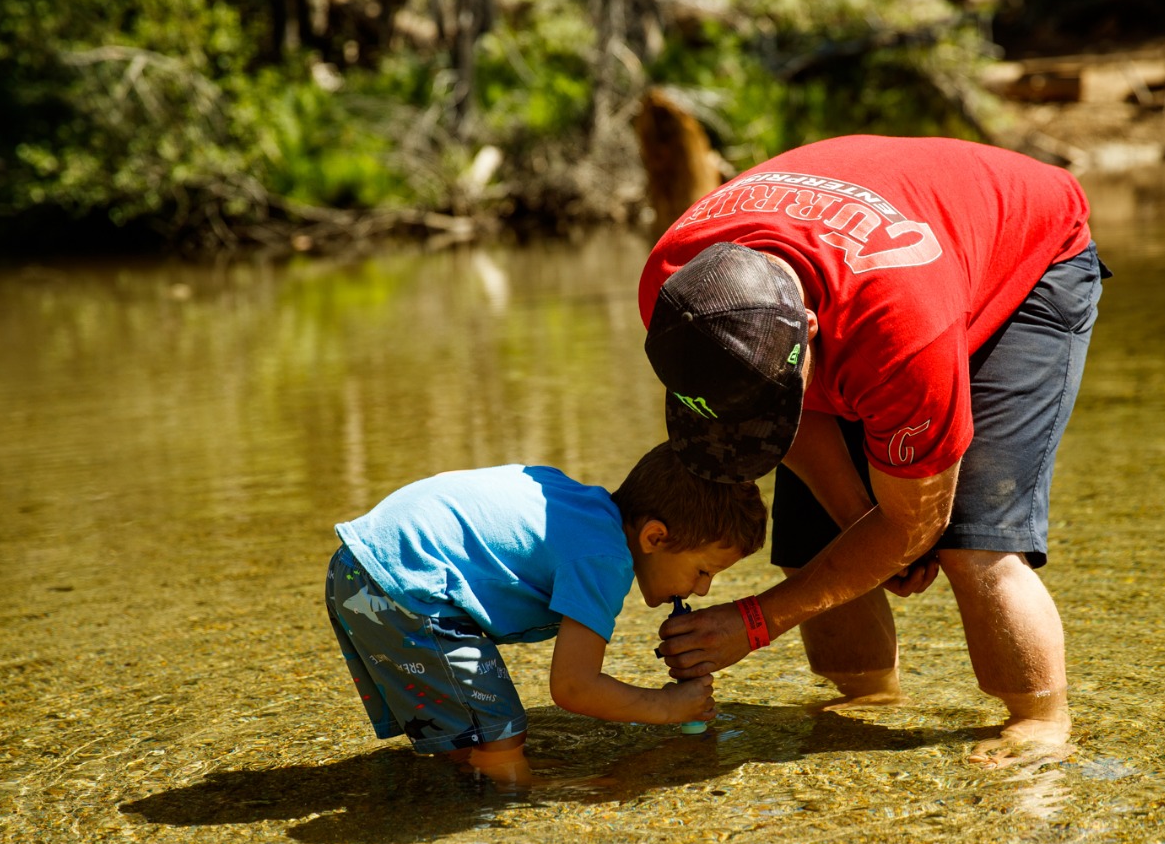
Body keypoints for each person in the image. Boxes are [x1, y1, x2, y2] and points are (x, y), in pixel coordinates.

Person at [638, 135, 1107, 766]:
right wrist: (861, 523)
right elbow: (834, 482)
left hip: (1024, 256)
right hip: (877, 263)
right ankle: (866, 700)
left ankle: (1041, 721)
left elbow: (919, 521)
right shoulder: (678, 290)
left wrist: (756, 622)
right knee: (815, 549)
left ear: (808, 335)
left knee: (974, 541)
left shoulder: (902, 338)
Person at [324, 443, 766, 784]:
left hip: (360, 565)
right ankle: (515, 815)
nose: (703, 588)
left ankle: (464, 776)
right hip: (405, 587)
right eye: (704, 571)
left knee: (473, 733)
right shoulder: (606, 558)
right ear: (654, 537)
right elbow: (574, 687)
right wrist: (668, 707)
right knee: (503, 739)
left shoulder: (581, 508)